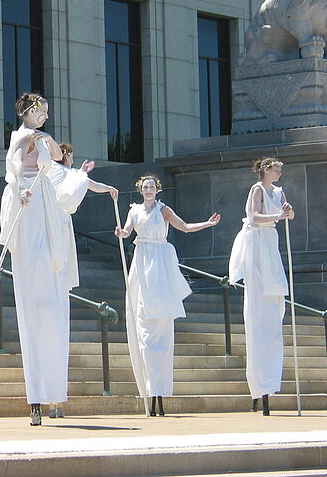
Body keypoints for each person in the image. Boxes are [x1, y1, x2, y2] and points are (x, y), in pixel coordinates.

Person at [0, 93, 118, 426]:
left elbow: (54, 156)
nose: (46, 117)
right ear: (29, 112)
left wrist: (46, 139)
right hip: (28, 202)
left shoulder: (42, 137)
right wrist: (19, 184)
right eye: (42, 113)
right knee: (34, 286)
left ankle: (55, 392)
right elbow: (13, 165)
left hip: (47, 206)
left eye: (48, 113)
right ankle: (37, 395)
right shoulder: (20, 138)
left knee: (53, 289)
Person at [115, 174, 220, 417]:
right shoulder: (134, 210)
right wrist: (121, 232)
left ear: (157, 189)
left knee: (159, 318)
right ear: (140, 189)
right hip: (141, 259)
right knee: (142, 315)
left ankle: (160, 389)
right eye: (145, 187)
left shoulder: (164, 210)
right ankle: (149, 388)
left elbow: (183, 226)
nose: (149, 190)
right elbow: (127, 231)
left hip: (159, 260)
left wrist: (206, 224)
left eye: (152, 186)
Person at [228, 158, 294, 416]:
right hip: (257, 241)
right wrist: (279, 214)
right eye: (276, 169)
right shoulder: (257, 189)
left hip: (270, 241)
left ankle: (268, 383)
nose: (279, 173)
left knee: (273, 307)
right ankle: (258, 388)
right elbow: (254, 216)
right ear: (266, 171)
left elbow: (288, 214)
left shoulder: (278, 191)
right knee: (257, 309)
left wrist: (287, 212)